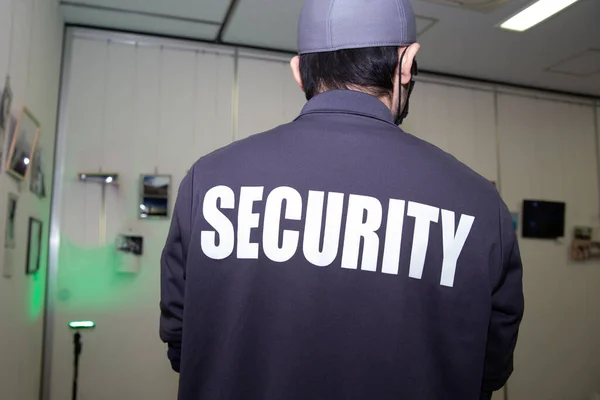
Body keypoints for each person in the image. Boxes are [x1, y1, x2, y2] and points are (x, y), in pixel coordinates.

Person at [160, 0, 525, 399]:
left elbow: (183, 340)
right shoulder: (477, 203)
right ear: (407, 64)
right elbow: (488, 368)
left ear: (299, 71)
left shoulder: (210, 180)